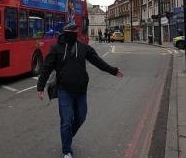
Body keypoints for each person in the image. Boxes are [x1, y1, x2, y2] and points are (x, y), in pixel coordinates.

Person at [37, 23, 124, 158]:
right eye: (71, 31)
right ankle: (67, 151)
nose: (74, 33)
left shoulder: (83, 47)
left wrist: (113, 70)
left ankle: (67, 136)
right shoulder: (56, 49)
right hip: (64, 90)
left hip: (81, 90)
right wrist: (40, 87)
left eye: (75, 31)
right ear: (65, 32)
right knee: (66, 121)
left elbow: (98, 62)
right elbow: (46, 68)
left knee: (81, 117)